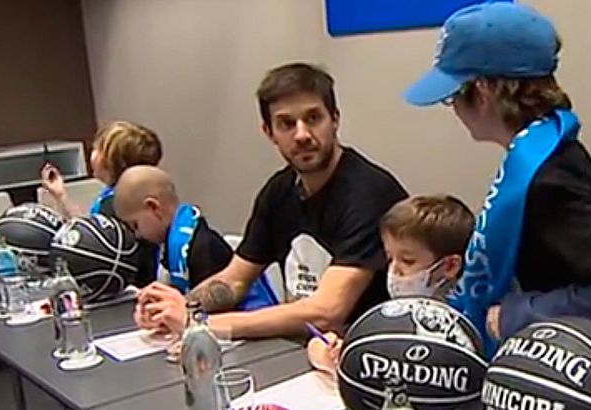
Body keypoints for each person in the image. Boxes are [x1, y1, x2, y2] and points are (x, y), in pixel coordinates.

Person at [403, 2, 591, 357]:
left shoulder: (548, 176)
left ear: (486, 89)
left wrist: (520, 314)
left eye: (452, 96)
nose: (455, 109)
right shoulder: (554, 149)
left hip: (572, 374)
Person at [136, 62, 408, 339]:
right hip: (303, 348)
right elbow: (235, 279)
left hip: (366, 352)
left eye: (313, 118)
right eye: (286, 124)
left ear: (335, 119)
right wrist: (179, 308)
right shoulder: (278, 191)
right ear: (269, 132)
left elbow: (328, 310)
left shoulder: (369, 193)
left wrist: (201, 324)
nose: (302, 134)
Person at [307, 194, 475, 373]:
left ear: (449, 266)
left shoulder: (466, 327)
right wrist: (329, 353)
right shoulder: (392, 314)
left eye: (407, 261)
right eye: (389, 258)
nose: (394, 270)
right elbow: (317, 344)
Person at [113, 165, 277, 311]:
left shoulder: (200, 247)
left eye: (135, 225)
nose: (137, 235)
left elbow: (215, 308)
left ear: (153, 207)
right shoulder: (172, 243)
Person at [41, 120, 163, 286]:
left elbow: (92, 246)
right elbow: (91, 233)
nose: (92, 153)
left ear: (111, 160)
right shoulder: (117, 194)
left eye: (96, 149)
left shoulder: (119, 203)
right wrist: (61, 194)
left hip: (128, 284)